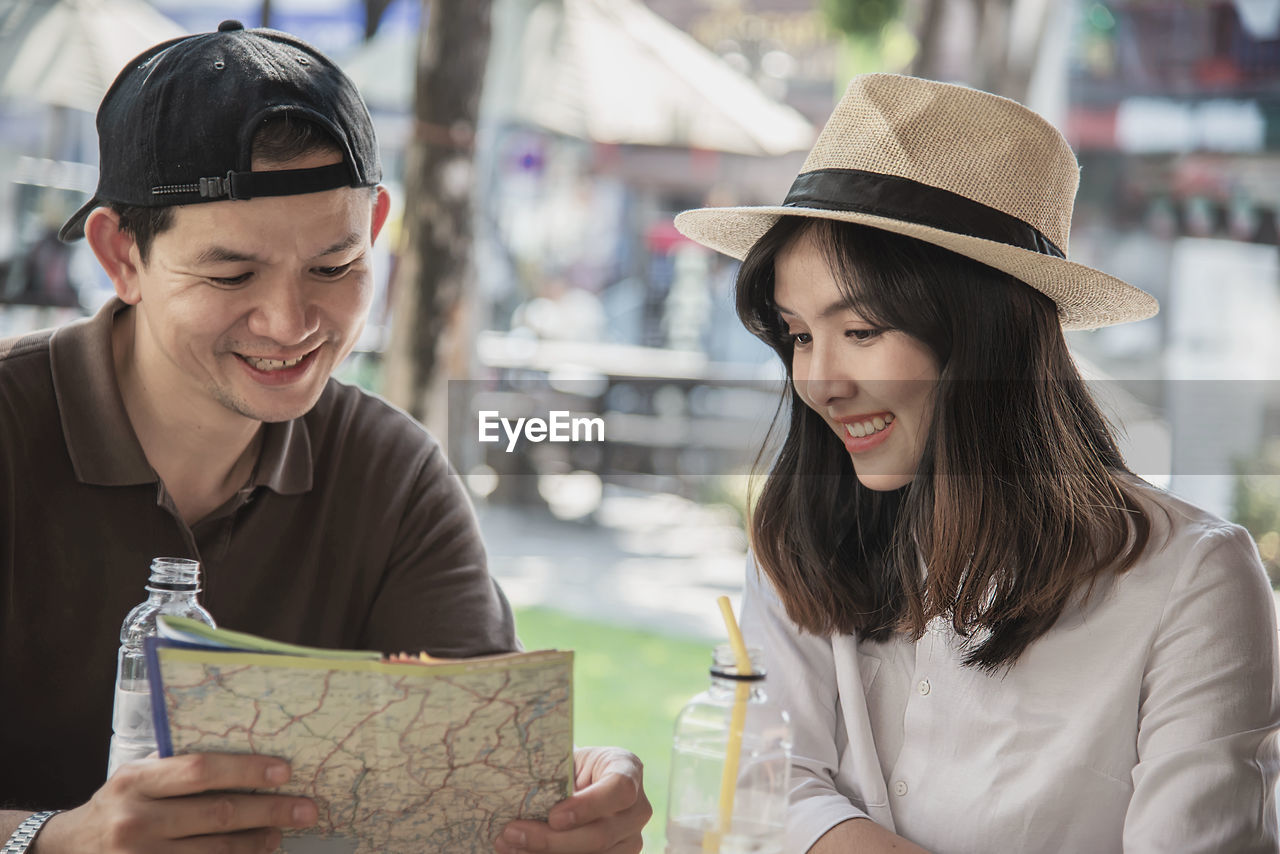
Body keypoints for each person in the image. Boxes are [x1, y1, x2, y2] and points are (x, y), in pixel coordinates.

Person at [0, 21, 648, 854]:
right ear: (121, 255)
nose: (291, 323)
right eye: (232, 274)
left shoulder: (394, 475)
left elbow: (476, 781)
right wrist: (53, 840)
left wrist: (559, 804)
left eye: (334, 268)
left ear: (377, 225)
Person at [674, 74, 1280, 852]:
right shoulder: (804, 535)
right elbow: (766, 778)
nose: (819, 380)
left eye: (860, 331)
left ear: (986, 337)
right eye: (798, 334)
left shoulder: (1189, 579)